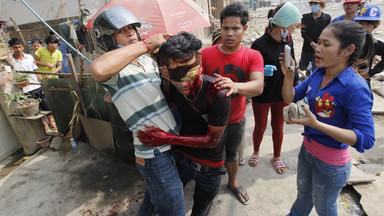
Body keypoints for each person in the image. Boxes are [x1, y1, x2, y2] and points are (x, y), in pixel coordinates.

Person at [89, 6, 184, 216]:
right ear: (107, 40)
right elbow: (98, 69)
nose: (131, 32)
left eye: (132, 27)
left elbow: (161, 99)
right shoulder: (115, 71)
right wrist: (146, 44)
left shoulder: (147, 61)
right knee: (175, 206)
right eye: (122, 30)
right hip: (154, 153)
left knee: (155, 196)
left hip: (170, 139)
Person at [281, 20, 375, 215]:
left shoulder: (355, 87)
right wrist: (288, 76)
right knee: (303, 197)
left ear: (348, 50)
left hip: (330, 165)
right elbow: (289, 97)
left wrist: (317, 124)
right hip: (307, 151)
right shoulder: (318, 73)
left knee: (325, 208)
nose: (317, 48)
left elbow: (366, 139)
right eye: (318, 42)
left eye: (326, 44)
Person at [137, 32, 231, 216]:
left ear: (199, 63)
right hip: (182, 158)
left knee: (201, 208)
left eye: (189, 77)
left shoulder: (218, 93)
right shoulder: (169, 86)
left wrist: (166, 138)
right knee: (164, 196)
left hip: (210, 166)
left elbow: (213, 140)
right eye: (176, 79)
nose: (183, 85)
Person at [201, 3, 265, 205]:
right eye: (225, 28)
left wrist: (235, 86)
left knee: (232, 153)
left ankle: (233, 182)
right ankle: (209, 187)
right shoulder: (205, 54)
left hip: (236, 119)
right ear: (220, 27)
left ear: (245, 29)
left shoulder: (252, 55)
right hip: (210, 120)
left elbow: (258, 86)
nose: (229, 33)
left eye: (235, 28)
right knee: (211, 156)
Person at [249, 2, 301, 174]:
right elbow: (251, 69)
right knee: (260, 127)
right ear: (284, 22)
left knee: (278, 127)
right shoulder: (259, 44)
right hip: (262, 94)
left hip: (281, 94)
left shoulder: (289, 40)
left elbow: (294, 62)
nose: (296, 26)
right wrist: (261, 71)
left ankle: (276, 156)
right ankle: (256, 151)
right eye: (294, 22)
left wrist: (296, 82)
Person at [211, 28, 246, 166]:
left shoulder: (243, 57)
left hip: (236, 116)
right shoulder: (207, 57)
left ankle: (235, 169)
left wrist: (237, 86)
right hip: (215, 118)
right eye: (219, 43)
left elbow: (255, 87)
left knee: (234, 150)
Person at [8, 38, 56, 132]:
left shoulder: (29, 57)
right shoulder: (10, 61)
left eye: (19, 47)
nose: (18, 49)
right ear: (11, 48)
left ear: (22, 47)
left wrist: (41, 83)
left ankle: (51, 122)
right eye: (15, 48)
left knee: (46, 105)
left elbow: (35, 70)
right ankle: (44, 125)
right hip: (24, 89)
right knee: (34, 110)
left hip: (36, 85)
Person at [299, 0, 331, 77]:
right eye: (312, 4)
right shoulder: (305, 17)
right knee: (302, 66)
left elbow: (327, 33)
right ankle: (308, 68)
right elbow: (303, 33)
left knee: (316, 67)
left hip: (319, 48)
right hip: (307, 47)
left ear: (321, 5)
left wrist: (319, 44)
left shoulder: (327, 18)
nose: (313, 6)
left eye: (316, 4)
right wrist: (311, 43)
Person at [354, 5, 384, 85]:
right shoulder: (346, 39)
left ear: (377, 23)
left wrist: (370, 73)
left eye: (368, 23)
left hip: (362, 81)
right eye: (361, 23)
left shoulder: (375, 44)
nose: (364, 27)